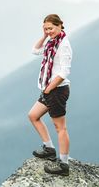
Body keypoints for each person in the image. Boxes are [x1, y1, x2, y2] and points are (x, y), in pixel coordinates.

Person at [28, 14, 73, 176]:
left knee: (60, 127)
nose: (48, 31)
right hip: (48, 89)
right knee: (33, 115)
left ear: (60, 25)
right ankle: (49, 149)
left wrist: (48, 89)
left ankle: (64, 164)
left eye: (51, 28)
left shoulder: (63, 45)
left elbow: (64, 72)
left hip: (56, 90)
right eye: (46, 28)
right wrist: (44, 35)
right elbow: (35, 50)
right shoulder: (51, 42)